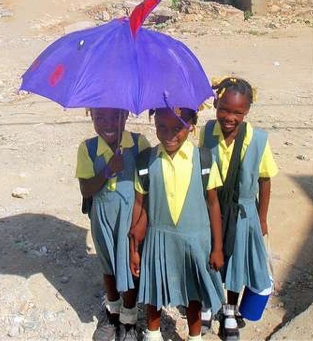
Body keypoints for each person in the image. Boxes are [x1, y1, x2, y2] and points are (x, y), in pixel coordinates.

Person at [129, 107, 226, 341]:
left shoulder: (203, 159)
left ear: (191, 125)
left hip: (194, 240)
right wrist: (134, 250)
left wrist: (218, 247)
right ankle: (153, 334)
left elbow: (213, 204)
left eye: (177, 128)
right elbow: (139, 204)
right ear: (154, 124)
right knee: (154, 290)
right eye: (162, 126)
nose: (169, 134)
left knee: (193, 295)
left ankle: (194, 337)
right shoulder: (146, 161)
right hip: (158, 239)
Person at [199, 77, 278, 340]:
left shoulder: (257, 140)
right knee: (210, 255)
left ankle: (230, 310)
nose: (229, 117)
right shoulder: (207, 132)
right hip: (212, 207)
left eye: (237, 112)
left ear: (247, 112)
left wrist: (263, 219)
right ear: (215, 104)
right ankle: (208, 302)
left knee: (237, 263)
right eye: (224, 109)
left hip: (244, 213)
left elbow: (265, 181)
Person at [76, 108, 150, 341]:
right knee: (108, 267)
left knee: (129, 268)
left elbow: (148, 188)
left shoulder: (139, 144)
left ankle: (129, 320)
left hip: (130, 218)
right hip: (103, 218)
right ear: (91, 118)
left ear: (125, 116)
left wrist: (141, 222)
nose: (108, 124)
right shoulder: (87, 148)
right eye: (100, 118)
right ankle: (112, 313)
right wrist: (108, 169)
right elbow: (86, 189)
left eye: (115, 117)